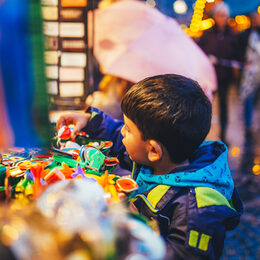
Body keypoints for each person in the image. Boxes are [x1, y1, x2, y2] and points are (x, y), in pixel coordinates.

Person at [57, 74, 243, 259]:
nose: (122, 131)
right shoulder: (160, 156)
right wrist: (89, 120)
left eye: (128, 129)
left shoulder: (196, 209)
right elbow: (120, 138)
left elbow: (182, 255)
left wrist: (130, 232)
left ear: (154, 151)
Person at [198, 2, 239, 144]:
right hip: (209, 77)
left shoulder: (232, 34)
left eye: (225, 16)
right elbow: (199, 51)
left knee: (224, 106)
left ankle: (223, 134)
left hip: (225, 77)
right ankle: (202, 134)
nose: (223, 18)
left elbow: (236, 55)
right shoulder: (208, 34)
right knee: (205, 105)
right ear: (215, 17)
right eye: (220, 15)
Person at [237, 11, 260, 139]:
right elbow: (238, 50)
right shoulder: (244, 35)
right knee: (248, 98)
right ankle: (248, 124)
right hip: (250, 73)